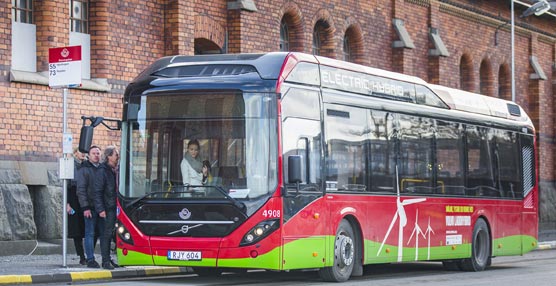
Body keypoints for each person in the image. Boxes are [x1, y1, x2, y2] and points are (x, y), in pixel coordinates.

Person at [76, 145, 104, 268]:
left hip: (102, 207)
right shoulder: (84, 169)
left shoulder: (103, 169)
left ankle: (105, 259)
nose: (96, 155)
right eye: (94, 153)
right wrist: (85, 207)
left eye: (98, 153)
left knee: (103, 234)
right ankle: (90, 259)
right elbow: (81, 190)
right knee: (90, 233)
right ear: (89, 155)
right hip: (90, 207)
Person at [94, 146, 120, 270]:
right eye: (116, 154)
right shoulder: (102, 170)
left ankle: (109, 258)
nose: (118, 157)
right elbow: (97, 191)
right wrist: (100, 209)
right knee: (106, 234)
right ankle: (105, 261)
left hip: (114, 206)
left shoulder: (113, 170)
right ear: (109, 156)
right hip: (107, 207)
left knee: (111, 234)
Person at [67, 147, 86, 265]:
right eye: (81, 151)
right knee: (76, 229)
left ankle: (88, 254)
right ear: (75, 153)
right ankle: (81, 255)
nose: (84, 154)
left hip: (84, 198)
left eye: (85, 152)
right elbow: (67, 186)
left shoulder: (87, 166)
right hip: (73, 198)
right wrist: (67, 204)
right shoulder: (70, 165)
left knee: (87, 228)